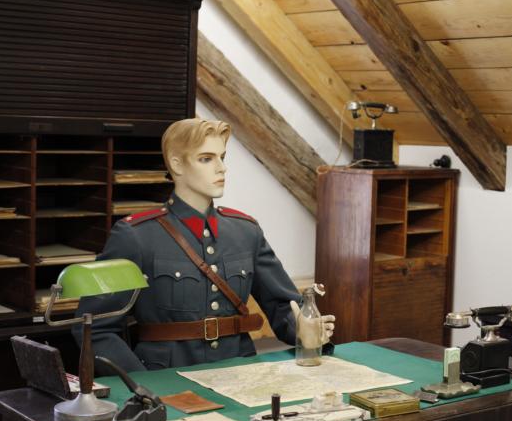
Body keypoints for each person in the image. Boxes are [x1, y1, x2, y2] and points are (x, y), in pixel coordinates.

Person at [74, 118, 334, 372]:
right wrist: (140, 386)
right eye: (206, 159)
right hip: (168, 378)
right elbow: (93, 328)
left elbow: (283, 306)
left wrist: (304, 331)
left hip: (240, 372)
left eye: (222, 157)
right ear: (177, 164)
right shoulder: (135, 236)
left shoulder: (246, 232)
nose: (221, 168)